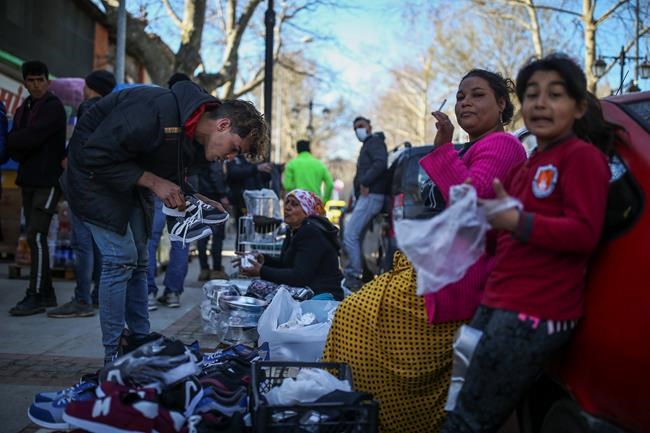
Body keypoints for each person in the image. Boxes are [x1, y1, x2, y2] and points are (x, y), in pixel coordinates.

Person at [322, 70, 527, 433]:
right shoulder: (475, 147)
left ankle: (385, 417)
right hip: (441, 271)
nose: (465, 102)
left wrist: (443, 149)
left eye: (477, 95)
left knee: (355, 319)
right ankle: (368, 412)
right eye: (460, 96)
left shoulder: (502, 145)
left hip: (460, 280)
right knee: (353, 315)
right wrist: (445, 148)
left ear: (501, 104)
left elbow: (470, 201)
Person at [441, 55, 612, 433]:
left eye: (555, 94)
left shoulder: (582, 158)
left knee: (469, 418)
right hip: (496, 301)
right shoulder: (526, 166)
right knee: (469, 404)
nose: (541, 103)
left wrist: (518, 221)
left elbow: (584, 233)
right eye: (533, 94)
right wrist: (487, 220)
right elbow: (503, 240)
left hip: (534, 310)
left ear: (578, 107)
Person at [62, 80, 268, 363]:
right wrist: (154, 182)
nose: (230, 158)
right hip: (92, 178)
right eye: (234, 148)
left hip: (129, 183)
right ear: (223, 125)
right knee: (120, 259)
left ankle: (139, 343)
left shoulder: (193, 139)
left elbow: (169, 173)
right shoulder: (155, 109)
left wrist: (194, 196)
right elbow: (94, 154)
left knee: (140, 262)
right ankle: (112, 357)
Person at [48, 69, 116, 318]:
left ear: (91, 87)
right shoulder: (113, 110)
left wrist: (69, 161)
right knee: (96, 242)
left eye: (86, 86)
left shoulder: (88, 108)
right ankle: (96, 295)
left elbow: (80, 146)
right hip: (102, 186)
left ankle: (82, 299)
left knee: (82, 243)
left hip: (83, 184)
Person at [7, 61, 66, 316]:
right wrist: (18, 140)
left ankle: (36, 295)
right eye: (31, 81)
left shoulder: (53, 107)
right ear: (25, 83)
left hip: (48, 181)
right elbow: (16, 142)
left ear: (47, 82)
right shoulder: (24, 108)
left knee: (36, 236)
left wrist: (17, 140)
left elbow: (30, 137)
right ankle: (47, 293)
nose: (36, 85)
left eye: (40, 80)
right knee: (33, 237)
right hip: (28, 179)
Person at [238, 189, 344, 300]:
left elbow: (299, 276)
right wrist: (264, 259)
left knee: (257, 287)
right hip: (308, 287)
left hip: (321, 293)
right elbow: (286, 264)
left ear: (306, 211)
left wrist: (261, 271)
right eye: (287, 202)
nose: (287, 207)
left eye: (294, 204)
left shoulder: (311, 232)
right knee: (258, 288)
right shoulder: (293, 230)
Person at [146, 73, 193, 311]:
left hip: (157, 184)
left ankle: (148, 293)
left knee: (150, 239)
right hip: (182, 186)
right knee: (180, 240)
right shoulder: (193, 114)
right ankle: (173, 292)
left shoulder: (159, 108)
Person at [342, 116, 387, 290]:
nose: (358, 130)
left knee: (350, 234)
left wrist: (365, 182)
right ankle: (358, 273)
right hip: (367, 196)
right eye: (355, 128)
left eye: (361, 126)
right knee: (356, 236)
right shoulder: (368, 144)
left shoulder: (374, 142)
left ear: (369, 126)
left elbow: (380, 163)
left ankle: (354, 274)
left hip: (371, 195)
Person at [196, 160, 230, 281]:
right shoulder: (214, 158)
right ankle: (216, 270)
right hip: (214, 199)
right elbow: (216, 174)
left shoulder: (200, 156)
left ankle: (204, 269)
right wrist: (223, 194)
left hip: (201, 197)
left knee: (202, 237)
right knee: (217, 237)